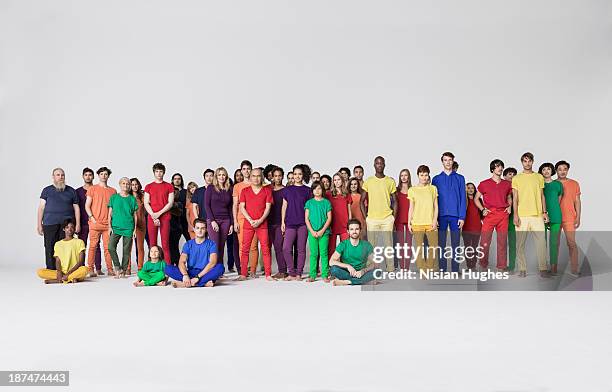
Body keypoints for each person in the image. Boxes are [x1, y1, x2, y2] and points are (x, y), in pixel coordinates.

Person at [512, 152, 549, 278]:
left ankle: (543, 269)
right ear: (522, 162)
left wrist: (544, 212)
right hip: (522, 216)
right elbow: (515, 198)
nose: (527, 163)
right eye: (525, 161)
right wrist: (515, 215)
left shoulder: (539, 177)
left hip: (537, 215)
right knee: (520, 244)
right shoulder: (516, 178)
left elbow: (542, 195)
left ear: (532, 162)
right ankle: (522, 269)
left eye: (529, 161)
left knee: (541, 244)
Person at [37, 168, 80, 270]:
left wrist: (78, 224)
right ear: (53, 177)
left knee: (66, 247)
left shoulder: (71, 191)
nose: (60, 177)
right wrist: (39, 224)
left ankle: (65, 269)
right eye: (58, 175)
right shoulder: (46, 190)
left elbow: (76, 208)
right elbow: (41, 208)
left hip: (67, 225)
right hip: (49, 223)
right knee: (49, 247)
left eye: (62, 175)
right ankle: (51, 269)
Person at [474, 160, 512, 272]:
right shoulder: (484, 184)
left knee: (502, 241)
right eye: (497, 167)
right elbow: (476, 199)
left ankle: (501, 266)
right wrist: (482, 209)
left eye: (501, 167)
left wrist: (509, 207)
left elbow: (509, 197)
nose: (500, 169)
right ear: (492, 169)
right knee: (485, 241)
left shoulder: (507, 184)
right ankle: (483, 264)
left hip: (503, 215)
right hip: (490, 215)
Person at [431, 152, 466, 273]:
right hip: (441, 216)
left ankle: (455, 270)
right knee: (441, 244)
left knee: (456, 244)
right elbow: (433, 200)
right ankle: (442, 268)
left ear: (453, 161)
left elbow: (463, 198)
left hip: (456, 216)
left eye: (450, 160)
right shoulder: (436, 179)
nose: (448, 162)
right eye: (445, 160)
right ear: (442, 162)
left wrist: (462, 216)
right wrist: (434, 218)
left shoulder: (460, 178)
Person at [361, 156, 397, 272]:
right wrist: (366, 217)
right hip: (372, 219)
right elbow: (361, 201)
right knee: (371, 247)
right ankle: (371, 269)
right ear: (374, 165)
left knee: (389, 246)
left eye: (381, 163)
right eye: (377, 163)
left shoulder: (390, 181)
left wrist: (393, 218)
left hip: (387, 218)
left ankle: (391, 269)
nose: (379, 165)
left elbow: (396, 201)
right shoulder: (368, 181)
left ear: (384, 165)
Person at [165, 219, 225, 287]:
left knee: (220, 268)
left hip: (205, 272)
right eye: (197, 228)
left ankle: (187, 283)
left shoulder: (212, 244)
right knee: (167, 268)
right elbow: (181, 262)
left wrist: (198, 277)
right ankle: (203, 283)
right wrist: (185, 275)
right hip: (191, 272)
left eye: (202, 228)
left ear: (206, 230)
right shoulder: (188, 244)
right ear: (194, 229)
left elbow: (212, 263)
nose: (200, 230)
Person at [237, 168, 274, 280]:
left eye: (258, 176)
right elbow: (242, 207)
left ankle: (268, 274)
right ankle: (243, 274)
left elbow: (268, 208)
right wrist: (250, 220)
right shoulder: (245, 191)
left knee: (265, 249)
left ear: (261, 177)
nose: (256, 178)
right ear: (250, 176)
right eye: (254, 176)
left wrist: (260, 220)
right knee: (245, 249)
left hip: (262, 224)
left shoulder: (267, 191)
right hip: (249, 224)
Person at [281, 164, 312, 280]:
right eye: (295, 174)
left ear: (303, 175)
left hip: (303, 224)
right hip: (290, 223)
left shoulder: (308, 191)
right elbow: (284, 207)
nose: (297, 176)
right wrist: (282, 222)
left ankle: (298, 273)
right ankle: (291, 272)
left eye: (299, 174)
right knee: (286, 248)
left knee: (301, 249)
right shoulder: (287, 190)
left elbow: (309, 208)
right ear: (292, 175)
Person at [85, 167, 117, 276]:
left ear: (108, 176)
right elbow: (87, 205)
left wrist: (112, 223)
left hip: (108, 225)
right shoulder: (92, 189)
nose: (104, 176)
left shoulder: (113, 191)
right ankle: (90, 269)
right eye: (101, 174)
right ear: (98, 175)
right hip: (95, 223)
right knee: (93, 246)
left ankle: (110, 269)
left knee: (108, 248)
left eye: (106, 174)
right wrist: (92, 218)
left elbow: (114, 209)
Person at [407, 165, 439, 272]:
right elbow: (411, 207)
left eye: (426, 175)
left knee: (433, 247)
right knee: (419, 248)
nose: (424, 177)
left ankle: (429, 267)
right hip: (417, 223)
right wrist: (409, 223)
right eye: (422, 175)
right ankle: (422, 269)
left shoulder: (433, 188)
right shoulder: (412, 190)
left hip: (430, 222)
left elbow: (436, 206)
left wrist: (435, 221)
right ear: (418, 176)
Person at [37, 219, 88, 284]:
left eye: (72, 227)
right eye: (67, 227)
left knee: (85, 269)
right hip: (62, 272)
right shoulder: (58, 244)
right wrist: (59, 272)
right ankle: (70, 279)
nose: (69, 229)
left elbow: (80, 261)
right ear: (64, 229)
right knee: (40, 272)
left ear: (74, 229)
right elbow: (58, 260)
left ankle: (59, 280)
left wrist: (69, 273)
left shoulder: (80, 242)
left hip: (75, 271)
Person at [144, 163, 175, 265]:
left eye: (161, 171)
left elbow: (170, 203)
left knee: (165, 244)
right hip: (151, 218)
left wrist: (158, 214)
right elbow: (146, 202)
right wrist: (153, 215)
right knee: (152, 245)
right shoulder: (148, 186)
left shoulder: (169, 186)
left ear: (164, 172)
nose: (159, 173)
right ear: (154, 172)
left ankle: (168, 268)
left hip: (165, 217)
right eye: (157, 171)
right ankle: (153, 267)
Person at [329, 219, 376, 286]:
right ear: (348, 231)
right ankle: (363, 281)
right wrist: (348, 266)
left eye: (357, 229)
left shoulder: (366, 245)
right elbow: (331, 262)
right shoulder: (343, 244)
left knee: (378, 272)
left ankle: (347, 282)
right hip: (347, 272)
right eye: (352, 229)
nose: (354, 231)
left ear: (360, 230)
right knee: (333, 269)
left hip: (361, 273)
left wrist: (364, 271)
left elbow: (374, 263)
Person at [108, 177, 138, 278]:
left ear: (129, 186)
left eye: (127, 184)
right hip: (116, 227)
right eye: (123, 183)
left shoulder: (132, 199)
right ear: (120, 185)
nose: (126, 185)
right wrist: (109, 226)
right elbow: (110, 214)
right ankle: (117, 267)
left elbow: (135, 216)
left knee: (126, 250)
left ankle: (123, 271)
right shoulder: (114, 197)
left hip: (128, 227)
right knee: (111, 247)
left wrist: (134, 229)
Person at [205, 167, 234, 272]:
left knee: (222, 246)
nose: (221, 177)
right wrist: (212, 221)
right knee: (215, 246)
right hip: (213, 220)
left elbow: (230, 208)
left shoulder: (229, 189)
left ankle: (219, 270)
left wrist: (231, 223)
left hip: (226, 220)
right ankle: (212, 269)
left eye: (223, 175)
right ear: (216, 176)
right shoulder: (211, 188)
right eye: (219, 175)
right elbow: (207, 205)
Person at [555, 160, 581, 276]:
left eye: (564, 169)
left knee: (571, 244)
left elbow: (577, 201)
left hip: (570, 218)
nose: (562, 171)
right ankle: (553, 268)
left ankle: (574, 268)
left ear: (567, 170)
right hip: (556, 218)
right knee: (554, 243)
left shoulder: (574, 183)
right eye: (560, 169)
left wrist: (578, 217)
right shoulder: (552, 184)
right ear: (556, 171)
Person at [233, 160, 259, 274]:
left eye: (248, 168)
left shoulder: (258, 184)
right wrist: (235, 221)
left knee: (253, 246)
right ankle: (244, 270)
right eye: (244, 169)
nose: (246, 171)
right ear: (241, 170)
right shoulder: (237, 186)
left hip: (255, 219)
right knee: (242, 246)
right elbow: (235, 205)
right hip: (241, 218)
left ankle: (253, 270)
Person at [76, 167, 102, 275]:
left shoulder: (98, 189)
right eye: (86, 175)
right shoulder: (77, 191)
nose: (88, 177)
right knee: (82, 246)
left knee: (96, 245)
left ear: (93, 177)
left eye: (90, 175)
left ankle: (98, 268)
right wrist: (76, 223)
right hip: (82, 222)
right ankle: (81, 268)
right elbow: (75, 208)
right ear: (83, 176)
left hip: (95, 222)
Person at [305, 181, 332, 282]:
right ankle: (312, 275)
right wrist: (312, 231)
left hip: (324, 233)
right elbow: (306, 219)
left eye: (319, 188)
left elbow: (329, 219)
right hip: (312, 232)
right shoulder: (309, 203)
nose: (317, 190)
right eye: (315, 188)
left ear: (323, 190)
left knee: (324, 253)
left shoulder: (326, 202)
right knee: (314, 254)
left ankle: (325, 275)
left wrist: (322, 231)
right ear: (312, 190)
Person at [539, 162, 563, 275]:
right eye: (543, 169)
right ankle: (543, 267)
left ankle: (553, 267)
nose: (546, 171)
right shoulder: (538, 184)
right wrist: (544, 212)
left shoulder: (558, 184)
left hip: (556, 215)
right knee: (542, 242)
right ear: (541, 172)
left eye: (548, 169)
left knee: (554, 242)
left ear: (552, 170)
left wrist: (552, 212)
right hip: (541, 216)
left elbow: (558, 200)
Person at [327, 173, 352, 258]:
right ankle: (331, 267)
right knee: (331, 248)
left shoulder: (347, 194)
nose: (337, 182)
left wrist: (350, 224)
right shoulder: (328, 194)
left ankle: (346, 266)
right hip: (332, 224)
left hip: (344, 224)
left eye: (338, 179)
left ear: (342, 180)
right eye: (335, 180)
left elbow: (349, 210)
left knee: (345, 247)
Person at [268, 167, 287, 279]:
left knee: (279, 246)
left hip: (281, 222)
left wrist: (284, 222)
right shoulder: (268, 190)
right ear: (272, 177)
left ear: (282, 176)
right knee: (273, 247)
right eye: (275, 176)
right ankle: (272, 269)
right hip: (269, 222)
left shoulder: (286, 190)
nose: (278, 178)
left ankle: (283, 271)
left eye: (279, 176)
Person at [394, 169, 412, 270]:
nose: (404, 177)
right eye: (402, 176)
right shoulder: (396, 190)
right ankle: (402, 266)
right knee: (400, 244)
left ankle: (407, 267)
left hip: (410, 220)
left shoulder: (413, 190)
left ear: (409, 177)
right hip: (399, 219)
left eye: (406, 175)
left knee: (408, 244)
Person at [463, 182, 483, 270]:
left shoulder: (479, 200)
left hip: (477, 227)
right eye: (468, 188)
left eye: (472, 188)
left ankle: (473, 265)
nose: (470, 189)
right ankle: (469, 266)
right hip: (466, 228)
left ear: (475, 189)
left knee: (475, 247)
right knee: (467, 248)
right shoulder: (463, 200)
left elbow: (482, 214)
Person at [129, 178, 147, 272]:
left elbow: (148, 207)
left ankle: (140, 267)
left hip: (141, 224)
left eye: (136, 184)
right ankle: (127, 268)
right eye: (132, 184)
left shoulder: (142, 196)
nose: (134, 186)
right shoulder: (127, 197)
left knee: (140, 247)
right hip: (129, 225)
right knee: (128, 247)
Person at [503, 167, 518, 272]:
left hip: (514, 218)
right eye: (509, 174)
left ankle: (512, 266)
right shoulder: (500, 187)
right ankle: (502, 264)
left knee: (512, 242)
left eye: (514, 174)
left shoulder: (518, 188)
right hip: (502, 217)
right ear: (504, 176)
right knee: (502, 242)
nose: (512, 176)